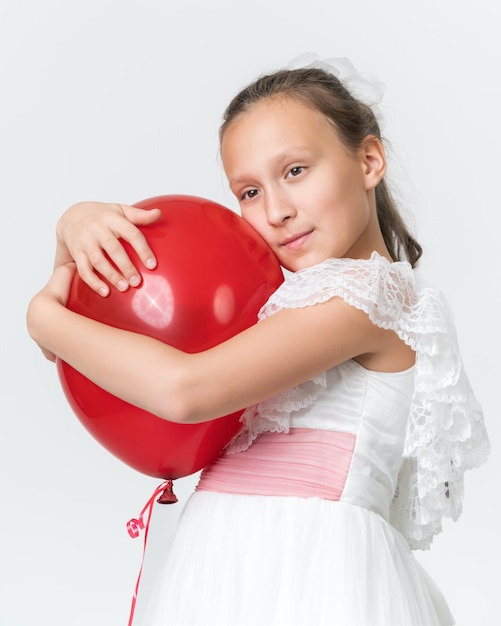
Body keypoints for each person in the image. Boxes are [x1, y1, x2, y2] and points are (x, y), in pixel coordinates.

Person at [27, 56, 490, 626]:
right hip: (229, 567)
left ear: (369, 161)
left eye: (295, 171)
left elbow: (185, 389)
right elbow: (97, 346)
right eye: (248, 191)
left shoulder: (369, 297)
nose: (275, 211)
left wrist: (42, 317)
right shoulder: (279, 305)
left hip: (313, 575)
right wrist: (73, 236)